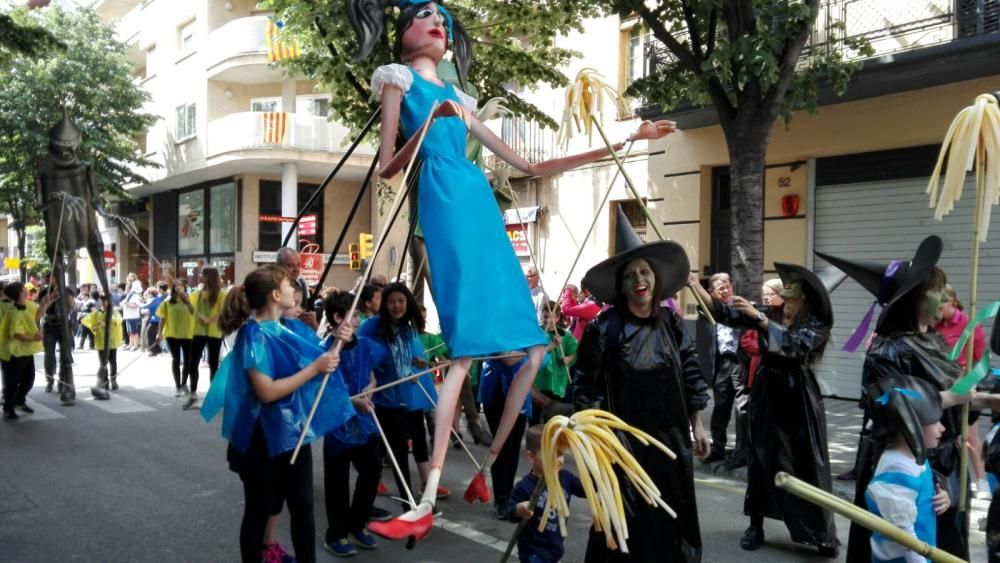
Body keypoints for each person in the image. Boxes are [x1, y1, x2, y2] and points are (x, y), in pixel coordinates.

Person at [347, 0, 677, 539]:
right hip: (445, 199)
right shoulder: (399, 81)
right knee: (466, 349)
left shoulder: (459, 96)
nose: (438, 24)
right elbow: (387, 166)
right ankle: (426, 497)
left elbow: (531, 166)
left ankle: (485, 469)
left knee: (535, 346)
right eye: (424, 15)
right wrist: (428, 120)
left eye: (445, 20)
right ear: (402, 30)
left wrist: (625, 140)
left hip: (479, 204)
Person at [819, 235, 1000, 561]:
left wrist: (987, 400)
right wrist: (954, 397)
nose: (946, 296)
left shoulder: (933, 340)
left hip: (946, 462)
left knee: (947, 544)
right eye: (937, 289)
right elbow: (891, 407)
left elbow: (960, 393)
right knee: (909, 548)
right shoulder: (887, 349)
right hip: (906, 467)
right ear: (914, 298)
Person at [572, 209, 709, 561]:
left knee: (670, 516)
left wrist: (698, 423)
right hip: (621, 446)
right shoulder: (605, 327)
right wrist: (593, 439)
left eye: (644, 271)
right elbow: (584, 386)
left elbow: (690, 372)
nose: (638, 279)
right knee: (623, 523)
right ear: (621, 286)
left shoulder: (672, 323)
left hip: (671, 442)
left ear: (655, 278)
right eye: (630, 275)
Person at [200, 264, 354, 563]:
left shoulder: (287, 326)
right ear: (274, 294)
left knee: (303, 507)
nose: (293, 288)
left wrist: (339, 339)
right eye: (287, 284)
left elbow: (317, 356)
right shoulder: (252, 335)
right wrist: (315, 368)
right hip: (262, 440)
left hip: (293, 432)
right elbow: (266, 391)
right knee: (259, 510)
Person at [734, 262, 845, 557]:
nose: (787, 297)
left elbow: (794, 344)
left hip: (798, 395)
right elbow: (729, 314)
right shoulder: (769, 314)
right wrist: (697, 289)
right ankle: (755, 525)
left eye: (793, 293)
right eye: (786, 292)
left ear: (805, 298)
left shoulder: (817, 325)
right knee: (761, 456)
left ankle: (822, 533)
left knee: (808, 460)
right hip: (768, 390)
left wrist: (760, 318)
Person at [359, 283, 447, 509]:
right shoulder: (371, 327)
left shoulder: (408, 330)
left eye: (401, 301)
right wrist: (370, 379)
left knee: (397, 452)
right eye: (391, 302)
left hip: (402, 399)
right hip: (379, 401)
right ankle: (406, 504)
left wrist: (415, 364)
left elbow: (403, 360)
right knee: (389, 456)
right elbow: (360, 356)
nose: (396, 306)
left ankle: (407, 503)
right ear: (384, 304)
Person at [320, 291, 384, 557]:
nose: (358, 319)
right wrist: (351, 401)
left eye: (358, 314)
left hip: (365, 422)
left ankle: (358, 524)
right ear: (337, 318)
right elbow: (325, 392)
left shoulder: (364, 344)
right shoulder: (326, 350)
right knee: (337, 482)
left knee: (372, 469)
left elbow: (371, 377)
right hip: (338, 426)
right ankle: (335, 534)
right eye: (353, 314)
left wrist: (370, 388)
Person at [864, 375, 952, 563]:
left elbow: (919, 497)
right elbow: (904, 533)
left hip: (920, 551)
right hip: (903, 558)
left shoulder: (914, 458)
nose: (942, 428)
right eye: (936, 422)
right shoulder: (897, 468)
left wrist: (942, 498)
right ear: (911, 425)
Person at [934, 284, 991, 499]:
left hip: (964, 384)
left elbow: (978, 358)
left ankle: (982, 480)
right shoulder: (936, 325)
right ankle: (954, 479)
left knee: (970, 435)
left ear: (952, 302)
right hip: (942, 386)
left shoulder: (969, 325)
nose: (938, 309)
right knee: (950, 436)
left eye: (941, 304)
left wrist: (968, 380)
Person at [504, 424, 586, 563]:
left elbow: (586, 490)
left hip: (555, 549)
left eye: (561, 454)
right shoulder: (524, 486)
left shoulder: (565, 477)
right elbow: (509, 512)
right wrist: (519, 509)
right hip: (533, 552)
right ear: (531, 457)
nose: (559, 460)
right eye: (551, 454)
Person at [689, 271, 747, 465]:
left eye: (728, 286)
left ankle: (742, 451)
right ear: (711, 292)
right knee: (721, 406)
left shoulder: (738, 305)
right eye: (721, 288)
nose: (726, 291)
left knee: (742, 407)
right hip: (721, 362)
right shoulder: (705, 311)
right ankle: (718, 447)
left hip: (739, 361)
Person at [479, 354, 532, 519]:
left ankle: (509, 494)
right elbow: (509, 359)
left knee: (515, 445)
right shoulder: (497, 328)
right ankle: (501, 497)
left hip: (520, 388)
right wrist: (537, 350)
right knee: (503, 445)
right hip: (498, 391)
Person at [2, 282, 52, 419]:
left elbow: (36, 315)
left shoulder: (27, 305)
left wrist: (43, 304)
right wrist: (33, 338)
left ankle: (18, 400)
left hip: (25, 350)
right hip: (14, 351)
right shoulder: (13, 311)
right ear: (19, 293)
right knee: (12, 381)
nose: (26, 290)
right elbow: (16, 333)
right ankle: (8, 409)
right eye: (23, 289)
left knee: (29, 379)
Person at [188, 267, 227, 410]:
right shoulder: (197, 294)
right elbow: (192, 311)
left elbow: (223, 312)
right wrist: (186, 302)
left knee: (213, 364)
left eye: (202, 274)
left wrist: (210, 319)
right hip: (198, 332)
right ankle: (193, 393)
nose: (199, 276)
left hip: (214, 332)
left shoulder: (222, 294)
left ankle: (214, 396)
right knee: (193, 363)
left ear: (209, 276)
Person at [531, 302, 576, 425]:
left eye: (550, 317)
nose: (547, 321)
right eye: (545, 317)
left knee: (552, 421)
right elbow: (534, 354)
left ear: (557, 318)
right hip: (538, 382)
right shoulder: (536, 333)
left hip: (556, 384)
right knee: (534, 419)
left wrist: (568, 358)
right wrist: (553, 345)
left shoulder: (566, 336)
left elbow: (574, 352)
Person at [157, 280, 196, 398]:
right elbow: (162, 319)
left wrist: (188, 301)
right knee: (176, 359)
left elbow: (195, 313)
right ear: (173, 288)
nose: (179, 288)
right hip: (172, 334)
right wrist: (159, 334)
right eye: (176, 286)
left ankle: (184, 384)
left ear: (184, 288)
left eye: (181, 286)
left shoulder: (190, 300)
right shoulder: (167, 302)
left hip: (188, 334)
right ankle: (178, 386)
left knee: (188, 361)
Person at [80, 294, 124, 391]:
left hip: (111, 341)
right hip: (100, 341)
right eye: (102, 301)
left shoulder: (114, 312)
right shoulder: (96, 313)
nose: (104, 303)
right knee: (103, 363)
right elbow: (86, 321)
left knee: (113, 361)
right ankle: (105, 381)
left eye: (106, 300)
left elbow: (118, 320)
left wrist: (107, 322)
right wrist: (93, 326)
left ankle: (113, 380)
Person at [38, 284, 75, 394]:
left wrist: (67, 296)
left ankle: (62, 381)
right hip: (50, 325)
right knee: (49, 355)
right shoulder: (45, 291)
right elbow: (42, 309)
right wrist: (53, 295)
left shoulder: (67, 289)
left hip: (63, 325)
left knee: (65, 355)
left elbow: (71, 305)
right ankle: (50, 381)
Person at [275, 247, 318, 331]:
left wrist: (313, 325)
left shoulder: (302, 285)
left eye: (298, 265)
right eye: (290, 265)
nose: (296, 270)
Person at [143, 282, 169, 356]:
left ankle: (155, 350)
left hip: (158, 318)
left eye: (157, 287)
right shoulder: (164, 296)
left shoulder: (161, 297)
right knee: (156, 334)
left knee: (151, 334)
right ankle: (156, 350)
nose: (157, 289)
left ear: (160, 289)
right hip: (159, 318)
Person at [122, 278, 143, 351]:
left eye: (127, 288)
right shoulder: (128, 295)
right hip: (128, 316)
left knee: (134, 331)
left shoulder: (135, 296)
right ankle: (131, 344)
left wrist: (127, 304)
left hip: (133, 316)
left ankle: (136, 345)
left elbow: (136, 306)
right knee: (130, 331)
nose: (126, 289)